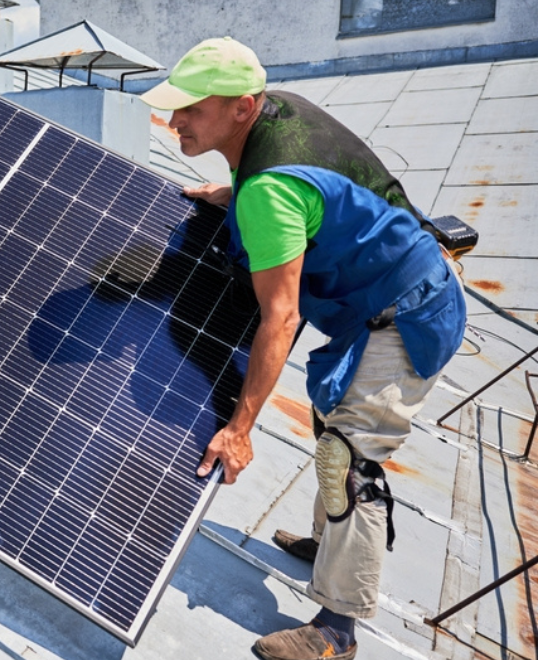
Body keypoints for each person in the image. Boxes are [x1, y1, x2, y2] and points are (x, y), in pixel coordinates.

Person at [140, 37, 466, 660]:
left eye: (192, 110)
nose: (175, 121)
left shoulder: (270, 190)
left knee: (350, 459)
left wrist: (240, 427)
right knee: (332, 426)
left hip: (409, 310)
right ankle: (329, 545)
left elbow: (280, 318)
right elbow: (311, 183)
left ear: (242, 107)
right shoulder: (273, 112)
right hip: (379, 293)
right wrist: (234, 194)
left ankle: (336, 631)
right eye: (175, 107)